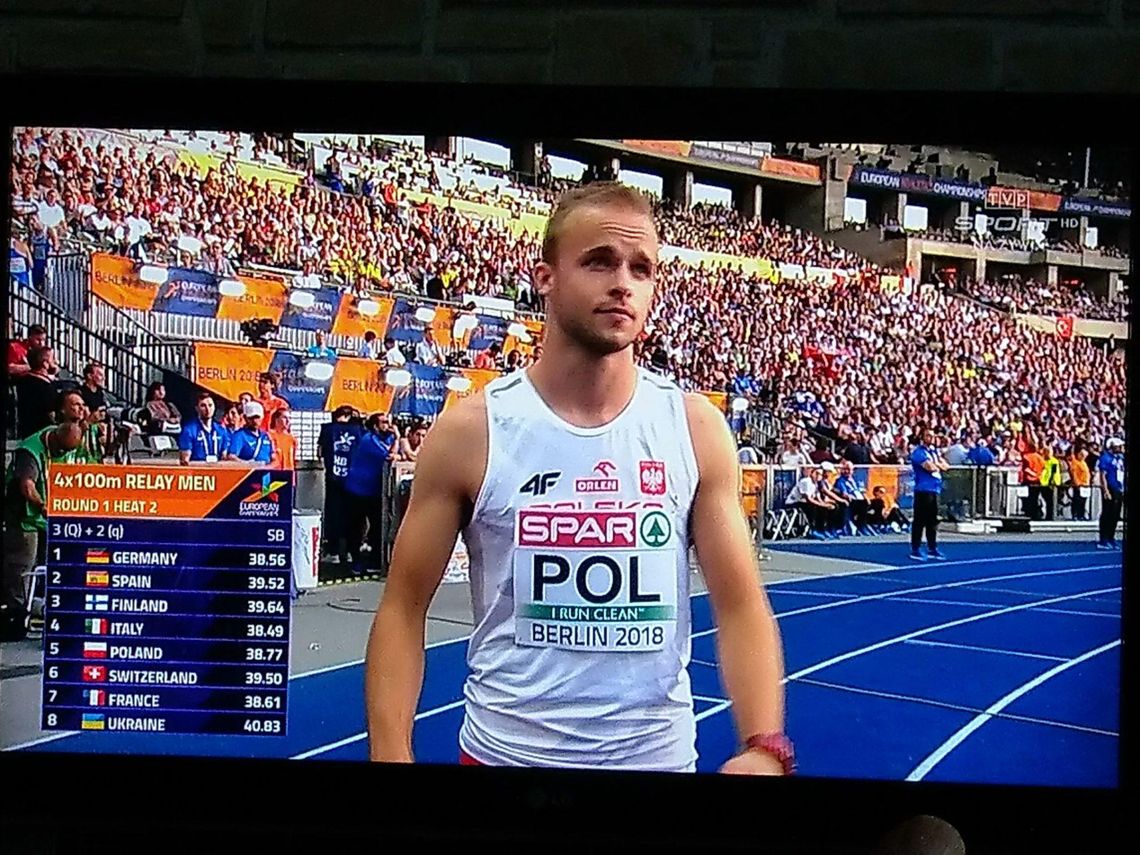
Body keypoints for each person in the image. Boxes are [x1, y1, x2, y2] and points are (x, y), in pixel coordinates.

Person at [365, 182, 791, 774]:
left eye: (641, 269)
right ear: (545, 277)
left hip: (655, 764)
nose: (623, 283)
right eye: (599, 262)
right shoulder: (473, 432)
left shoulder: (694, 429)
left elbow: (741, 604)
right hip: (503, 759)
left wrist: (764, 747)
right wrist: (390, 756)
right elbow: (402, 607)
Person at [3, 422, 84, 622]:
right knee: (23, 564)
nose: (63, 453)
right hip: (25, 515)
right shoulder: (29, 451)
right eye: (62, 449)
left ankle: (43, 604)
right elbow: (27, 485)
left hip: (47, 516)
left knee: (52, 561)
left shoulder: (63, 442)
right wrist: (42, 506)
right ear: (55, 439)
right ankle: (17, 613)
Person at [344, 412, 397, 570]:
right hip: (357, 489)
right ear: (375, 426)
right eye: (384, 423)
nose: (387, 425)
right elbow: (389, 455)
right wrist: (398, 436)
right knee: (357, 526)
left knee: (377, 525)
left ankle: (373, 558)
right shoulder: (369, 439)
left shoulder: (382, 438)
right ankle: (355, 560)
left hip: (373, 490)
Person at [317, 405, 363, 564]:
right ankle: (351, 552)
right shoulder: (359, 430)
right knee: (353, 517)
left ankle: (333, 551)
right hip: (353, 480)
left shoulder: (327, 429)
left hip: (333, 479)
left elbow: (320, 452)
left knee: (333, 515)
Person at [910, 427, 949, 561]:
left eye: (932, 436)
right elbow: (929, 467)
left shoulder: (934, 452)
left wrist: (936, 463)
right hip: (923, 490)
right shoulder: (918, 453)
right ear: (922, 437)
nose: (931, 438)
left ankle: (932, 547)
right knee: (920, 520)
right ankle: (915, 548)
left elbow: (946, 466)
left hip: (935, 489)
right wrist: (937, 464)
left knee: (933, 521)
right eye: (928, 436)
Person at [178, 392, 227, 465]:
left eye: (210, 405)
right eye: (203, 406)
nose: (208, 409)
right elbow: (185, 461)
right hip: (197, 472)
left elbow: (224, 457)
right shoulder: (189, 430)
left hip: (217, 471)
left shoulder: (221, 430)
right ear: (197, 408)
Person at [1096, 437, 1125, 550]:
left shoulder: (1120, 458)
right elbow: (1103, 475)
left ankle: (1111, 537)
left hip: (1119, 488)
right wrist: (1105, 490)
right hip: (1110, 487)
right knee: (1107, 513)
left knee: (1115, 515)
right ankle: (1103, 539)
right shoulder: (1106, 458)